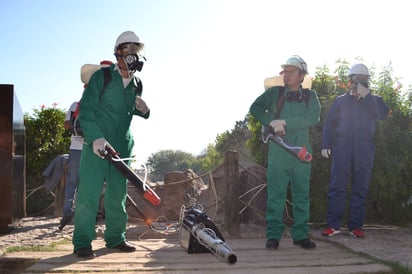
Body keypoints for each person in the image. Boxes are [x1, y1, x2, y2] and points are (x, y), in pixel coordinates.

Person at [72, 31, 150, 259]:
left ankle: (116, 238)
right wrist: (95, 137)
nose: (133, 56)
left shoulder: (137, 83)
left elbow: (126, 109)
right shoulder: (102, 77)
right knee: (89, 194)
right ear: (118, 54)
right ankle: (82, 242)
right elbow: (86, 111)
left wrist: (145, 111)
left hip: (122, 148)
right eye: (129, 51)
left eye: (136, 52)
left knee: (118, 194)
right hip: (97, 144)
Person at [250, 55, 321, 250]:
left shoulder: (310, 96)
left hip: (302, 152)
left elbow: (313, 118)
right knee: (276, 195)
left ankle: (300, 235)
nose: (286, 75)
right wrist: (271, 121)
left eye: (291, 72)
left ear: (301, 75)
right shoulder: (274, 93)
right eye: (285, 71)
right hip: (278, 152)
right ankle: (273, 236)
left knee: (301, 195)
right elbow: (255, 108)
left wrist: (286, 123)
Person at [321, 63, 389, 238]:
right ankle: (333, 225)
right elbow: (330, 124)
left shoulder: (375, 101)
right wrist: (326, 145)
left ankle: (355, 227)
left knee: (361, 187)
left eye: (364, 79)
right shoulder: (340, 101)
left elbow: (382, 113)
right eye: (357, 79)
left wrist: (366, 96)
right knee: (337, 186)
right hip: (341, 149)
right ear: (350, 80)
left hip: (364, 150)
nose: (360, 82)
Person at [58, 100, 84, 230]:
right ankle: (84, 215)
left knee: (72, 183)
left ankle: (67, 214)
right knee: (88, 184)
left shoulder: (76, 105)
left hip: (76, 148)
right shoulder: (99, 103)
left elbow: (66, 125)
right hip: (93, 148)